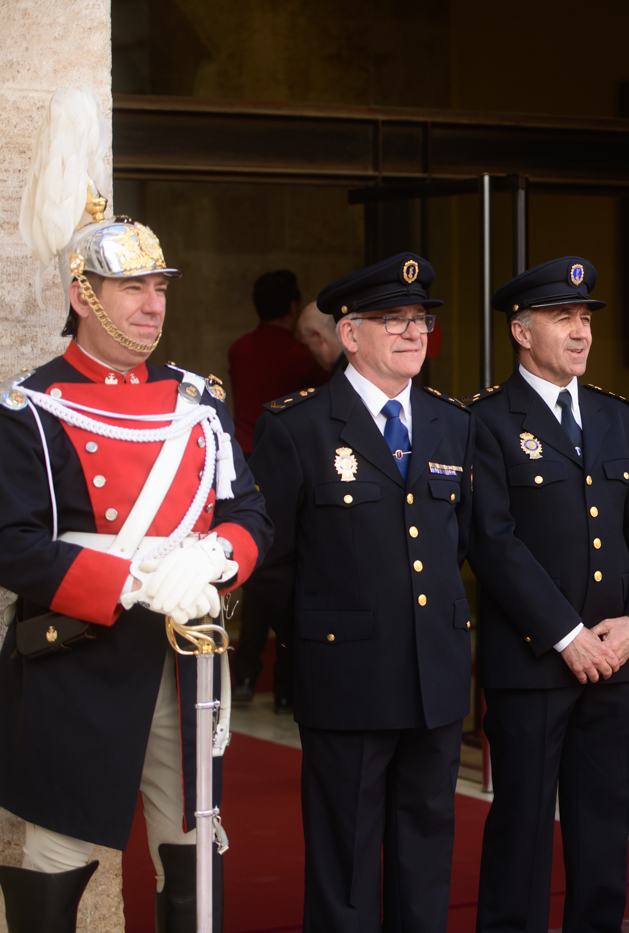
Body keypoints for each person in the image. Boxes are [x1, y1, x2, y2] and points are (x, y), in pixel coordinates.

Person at [0, 137, 270, 931]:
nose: (151, 304)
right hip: (79, 659)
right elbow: (10, 544)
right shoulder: (27, 409)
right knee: (57, 866)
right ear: (83, 293)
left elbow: (250, 513)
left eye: (158, 287)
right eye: (131, 287)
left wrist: (217, 558)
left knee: (191, 855)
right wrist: (132, 579)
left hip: (185, 661)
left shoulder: (196, 401)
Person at [249, 252, 475, 932]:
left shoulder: (450, 423)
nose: (414, 333)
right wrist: (321, 641)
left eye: (422, 319)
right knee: (346, 862)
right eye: (393, 320)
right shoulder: (297, 426)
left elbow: (455, 541)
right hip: (346, 677)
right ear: (349, 335)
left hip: (432, 674)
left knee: (427, 849)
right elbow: (273, 560)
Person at [468, 256, 629, 933]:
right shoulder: (488, 421)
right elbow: (493, 542)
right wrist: (566, 633)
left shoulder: (616, 416)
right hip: (534, 661)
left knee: (604, 826)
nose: (581, 331)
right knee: (523, 827)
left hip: (617, 661)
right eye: (563, 318)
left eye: (584, 318)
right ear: (521, 331)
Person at [227, 270, 328, 710]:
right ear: (292, 307)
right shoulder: (297, 354)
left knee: (258, 575)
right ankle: (286, 684)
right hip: (291, 466)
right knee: (292, 566)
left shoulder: (239, 349)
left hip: (246, 465)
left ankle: (246, 671)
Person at [227, 269, 327, 453]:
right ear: (293, 307)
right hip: (286, 451)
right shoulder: (301, 354)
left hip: (244, 453)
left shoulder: (238, 349)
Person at [296, 299, 347, 374]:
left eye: (307, 346)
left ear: (318, 337)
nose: (311, 357)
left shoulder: (343, 375)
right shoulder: (358, 363)